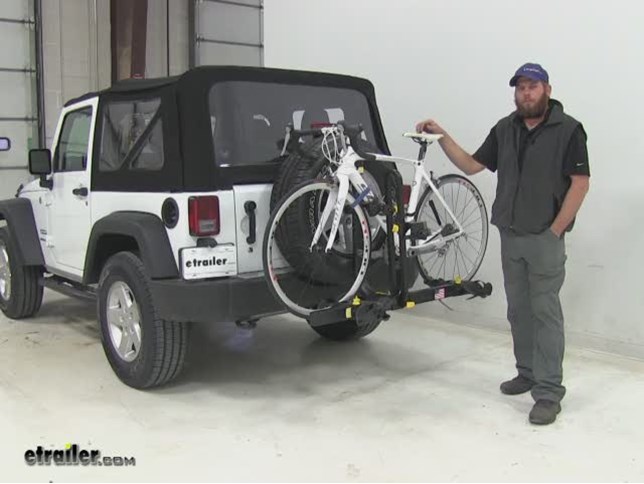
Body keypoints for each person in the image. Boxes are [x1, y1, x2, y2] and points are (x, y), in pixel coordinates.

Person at [416, 62, 590, 425]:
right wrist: (442, 135)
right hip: (510, 236)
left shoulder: (569, 130)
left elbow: (580, 183)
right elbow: (471, 165)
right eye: (521, 87)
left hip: (544, 239)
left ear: (547, 90)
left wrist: (555, 229)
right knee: (518, 310)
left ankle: (547, 392)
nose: (526, 93)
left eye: (533, 86)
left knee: (545, 313)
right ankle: (526, 372)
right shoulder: (505, 129)